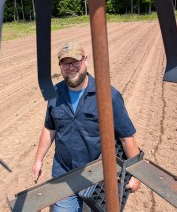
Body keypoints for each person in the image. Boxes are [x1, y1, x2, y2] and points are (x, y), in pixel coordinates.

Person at [32, 42, 141, 212]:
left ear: (85, 61)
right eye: (65, 63)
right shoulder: (55, 94)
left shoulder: (108, 95)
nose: (71, 67)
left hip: (98, 176)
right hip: (64, 173)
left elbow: (126, 138)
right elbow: (49, 128)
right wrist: (38, 160)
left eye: (76, 61)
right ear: (60, 66)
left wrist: (136, 175)